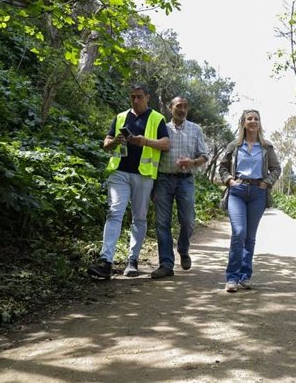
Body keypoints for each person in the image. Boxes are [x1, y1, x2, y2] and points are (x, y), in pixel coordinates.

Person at [87, 83, 170, 279]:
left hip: (143, 175)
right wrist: (115, 141)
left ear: (147, 97)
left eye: (139, 96)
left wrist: (145, 141)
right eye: (132, 96)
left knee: (139, 218)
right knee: (114, 212)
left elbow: (166, 144)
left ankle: (132, 260)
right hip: (119, 172)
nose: (135, 100)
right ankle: (105, 262)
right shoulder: (121, 117)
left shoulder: (157, 118)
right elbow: (105, 144)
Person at [218, 109, 281, 292]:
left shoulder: (266, 147)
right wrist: (230, 180)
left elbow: (276, 169)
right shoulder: (234, 146)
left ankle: (245, 276)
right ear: (244, 123)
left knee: (250, 237)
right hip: (237, 191)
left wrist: (266, 183)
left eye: (256, 119)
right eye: (249, 119)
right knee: (239, 232)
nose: (253, 121)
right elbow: (223, 167)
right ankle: (232, 277)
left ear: (259, 123)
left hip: (257, 193)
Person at [151, 96, 209, 279]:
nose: (182, 110)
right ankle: (166, 264)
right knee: (162, 223)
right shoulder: (162, 128)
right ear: (170, 108)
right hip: (163, 180)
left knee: (188, 221)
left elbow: (204, 156)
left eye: (185, 106)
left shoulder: (195, 129)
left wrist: (192, 162)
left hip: (186, 181)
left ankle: (183, 249)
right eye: (178, 106)